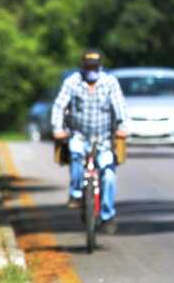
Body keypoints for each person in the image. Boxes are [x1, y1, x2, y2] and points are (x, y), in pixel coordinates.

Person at [51, 49, 128, 233]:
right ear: (82, 66)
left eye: (95, 67)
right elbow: (59, 105)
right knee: (76, 154)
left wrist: (122, 126)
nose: (91, 70)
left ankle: (108, 215)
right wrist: (57, 128)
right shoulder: (72, 82)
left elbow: (120, 106)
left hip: (104, 138)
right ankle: (76, 194)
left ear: (100, 66)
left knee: (108, 175)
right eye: (88, 67)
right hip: (78, 134)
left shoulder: (110, 82)